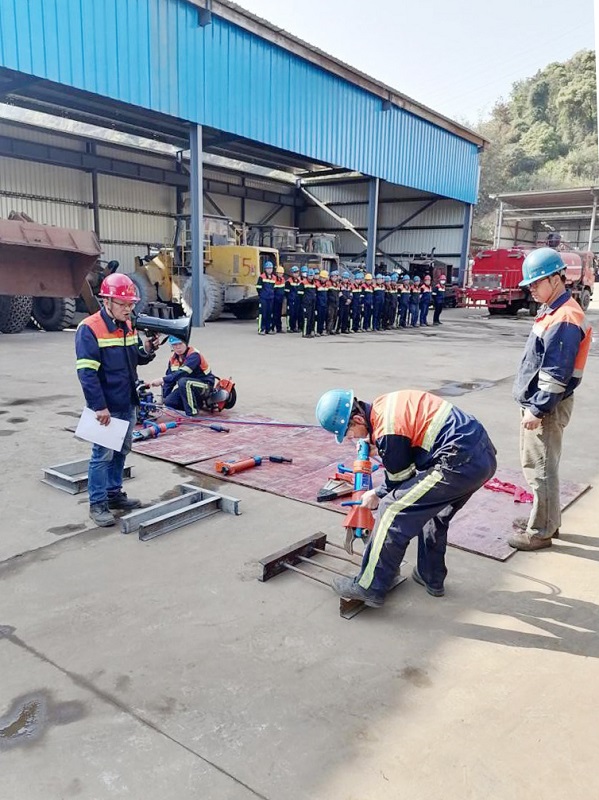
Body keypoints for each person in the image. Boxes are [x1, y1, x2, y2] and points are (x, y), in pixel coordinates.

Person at [315, 388, 497, 607]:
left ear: (358, 419)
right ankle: (430, 576)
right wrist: (382, 447)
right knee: (433, 510)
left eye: (349, 432)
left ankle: (370, 587)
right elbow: (412, 440)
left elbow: (400, 477)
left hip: (456, 464)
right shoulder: (384, 406)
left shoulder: (387, 431)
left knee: (391, 509)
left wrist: (376, 494)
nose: (351, 438)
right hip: (482, 456)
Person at [509, 247, 592, 551]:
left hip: (547, 407)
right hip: (544, 403)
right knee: (542, 466)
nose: (531, 289)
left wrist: (538, 408)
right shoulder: (555, 310)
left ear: (555, 279)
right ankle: (546, 519)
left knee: (540, 469)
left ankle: (541, 531)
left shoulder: (565, 317)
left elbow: (556, 371)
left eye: (535, 283)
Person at [75, 273, 158, 527]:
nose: (128, 308)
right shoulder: (89, 328)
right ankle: (98, 503)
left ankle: (114, 494)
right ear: (106, 301)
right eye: (123, 304)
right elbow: (87, 374)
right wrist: (99, 407)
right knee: (102, 455)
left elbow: (135, 358)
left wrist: (148, 349)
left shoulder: (127, 325)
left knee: (122, 450)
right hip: (107, 406)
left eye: (131, 304)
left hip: (128, 400)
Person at [151, 335, 215, 416]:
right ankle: (198, 404)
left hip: (205, 384)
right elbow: (170, 380)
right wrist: (164, 399)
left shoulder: (194, 355)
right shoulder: (173, 359)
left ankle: (192, 414)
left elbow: (182, 373)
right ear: (171, 346)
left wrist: (162, 379)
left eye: (180, 344)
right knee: (169, 402)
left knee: (183, 382)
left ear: (186, 343)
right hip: (188, 386)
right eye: (175, 345)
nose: (178, 347)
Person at [256, 261, 276, 335]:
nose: (270, 270)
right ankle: (261, 329)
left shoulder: (274, 278)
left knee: (269, 313)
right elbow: (258, 288)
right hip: (263, 298)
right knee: (262, 314)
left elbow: (274, 288)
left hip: (271, 298)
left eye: (271, 268)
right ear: (265, 269)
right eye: (268, 268)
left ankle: (268, 329)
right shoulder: (262, 277)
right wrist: (262, 295)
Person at [301, 268, 317, 338]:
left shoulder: (314, 283)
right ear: (307, 275)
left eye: (312, 275)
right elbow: (300, 295)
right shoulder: (303, 283)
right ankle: (305, 333)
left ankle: (310, 331)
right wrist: (303, 302)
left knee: (312, 318)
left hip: (312, 303)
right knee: (306, 318)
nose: (311, 277)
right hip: (306, 304)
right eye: (310, 275)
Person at [285, 266, 302, 333]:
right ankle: (289, 327)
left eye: (297, 272)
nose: (296, 274)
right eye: (295, 273)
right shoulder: (288, 281)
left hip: (297, 300)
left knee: (296, 314)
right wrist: (290, 298)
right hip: (291, 300)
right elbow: (286, 292)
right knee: (290, 314)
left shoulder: (299, 281)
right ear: (292, 273)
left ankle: (294, 327)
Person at [272, 266, 286, 333]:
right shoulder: (274, 279)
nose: (281, 274)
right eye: (279, 273)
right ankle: (272, 328)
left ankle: (279, 328)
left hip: (280, 300)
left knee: (279, 315)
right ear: (277, 273)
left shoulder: (283, 279)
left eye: (282, 273)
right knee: (274, 314)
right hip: (274, 300)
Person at [315, 270, 330, 336]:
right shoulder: (316, 284)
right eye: (322, 278)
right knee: (318, 318)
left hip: (325, 304)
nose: (323, 279)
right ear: (320, 277)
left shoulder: (327, 285)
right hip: (318, 304)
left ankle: (321, 331)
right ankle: (317, 331)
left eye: (325, 278)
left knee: (323, 318)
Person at [326, 270, 340, 335]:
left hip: (336, 303)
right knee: (330, 317)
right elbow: (327, 294)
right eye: (333, 277)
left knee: (335, 317)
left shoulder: (337, 284)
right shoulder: (328, 283)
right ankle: (328, 329)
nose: (334, 278)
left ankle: (332, 329)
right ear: (331, 277)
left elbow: (338, 294)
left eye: (336, 277)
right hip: (330, 303)